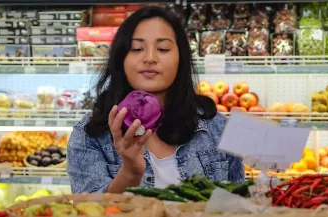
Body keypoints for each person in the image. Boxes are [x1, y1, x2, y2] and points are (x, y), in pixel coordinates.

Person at [67, 6, 244, 194]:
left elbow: (237, 205)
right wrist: (130, 173)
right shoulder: (89, 135)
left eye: (162, 48)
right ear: (121, 59)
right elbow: (89, 210)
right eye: (136, 48)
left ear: (180, 58)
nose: (150, 58)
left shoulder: (219, 130)